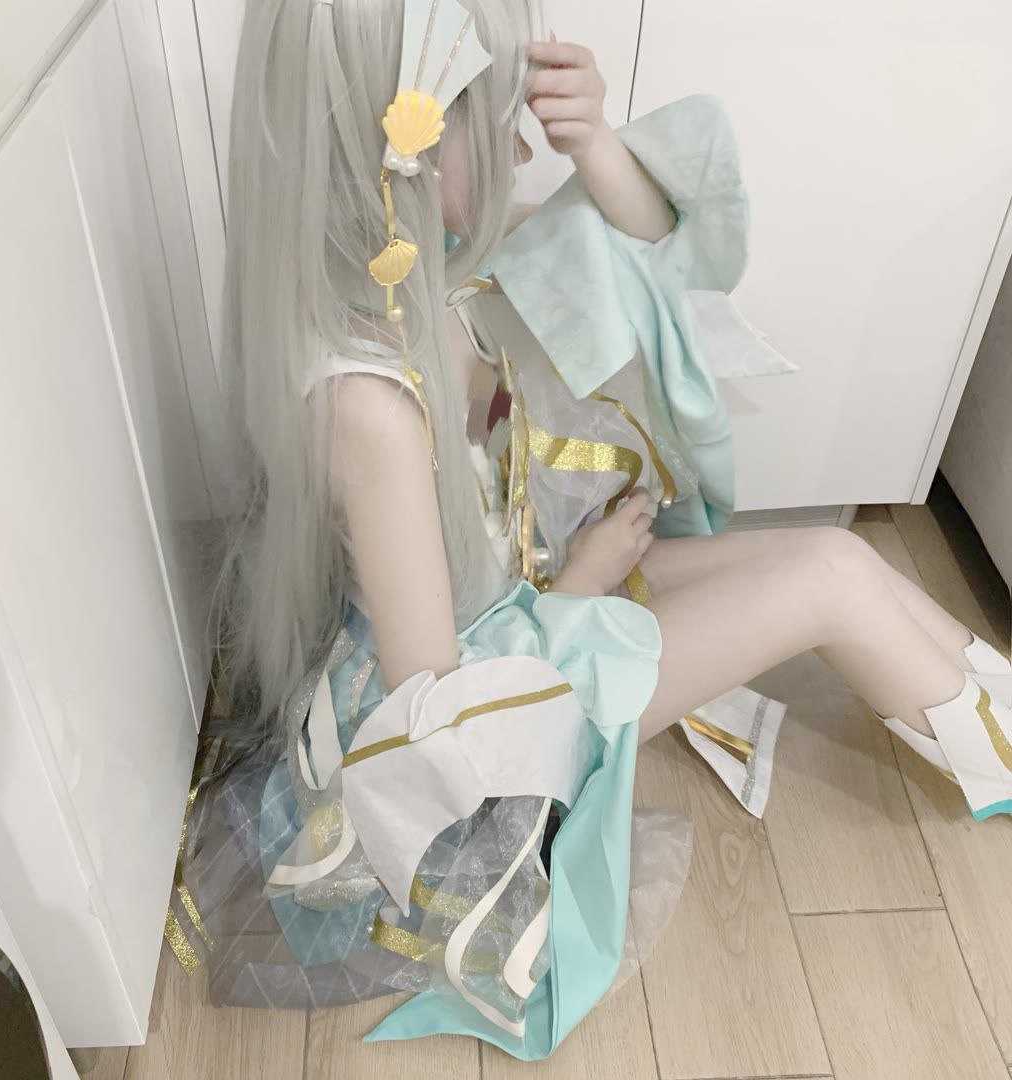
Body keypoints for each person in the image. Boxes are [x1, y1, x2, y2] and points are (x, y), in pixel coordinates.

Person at [171, 0, 1012, 1059]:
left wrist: (596, 141)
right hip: (486, 722)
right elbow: (445, 734)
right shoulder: (369, 406)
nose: (522, 150)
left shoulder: (392, 267)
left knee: (844, 563)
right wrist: (580, 582)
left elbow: (639, 246)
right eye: (494, 124)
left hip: (511, 607)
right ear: (406, 149)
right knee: (833, 575)